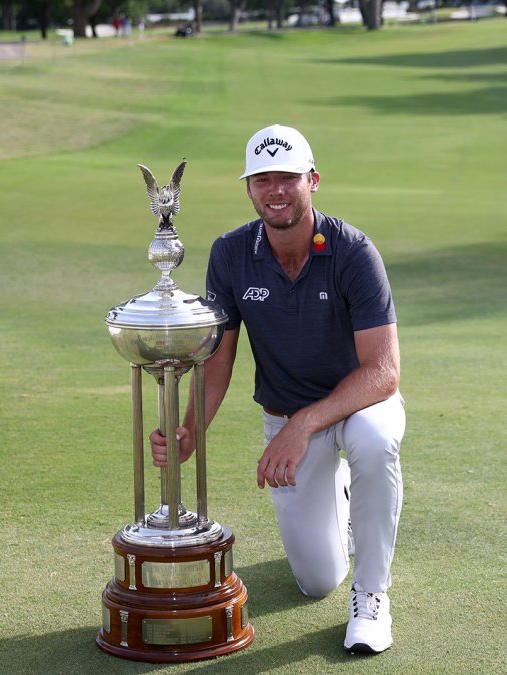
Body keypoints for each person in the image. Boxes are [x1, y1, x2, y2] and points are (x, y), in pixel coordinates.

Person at [150, 124, 405, 654]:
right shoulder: (230, 254)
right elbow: (220, 357)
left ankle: (372, 596)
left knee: (373, 441)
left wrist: (305, 423)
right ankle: (342, 502)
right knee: (315, 583)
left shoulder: (353, 251)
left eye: (287, 177)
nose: (276, 190)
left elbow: (384, 372)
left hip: (359, 406)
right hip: (287, 417)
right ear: (248, 189)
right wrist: (190, 432)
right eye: (262, 179)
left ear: (312, 180)